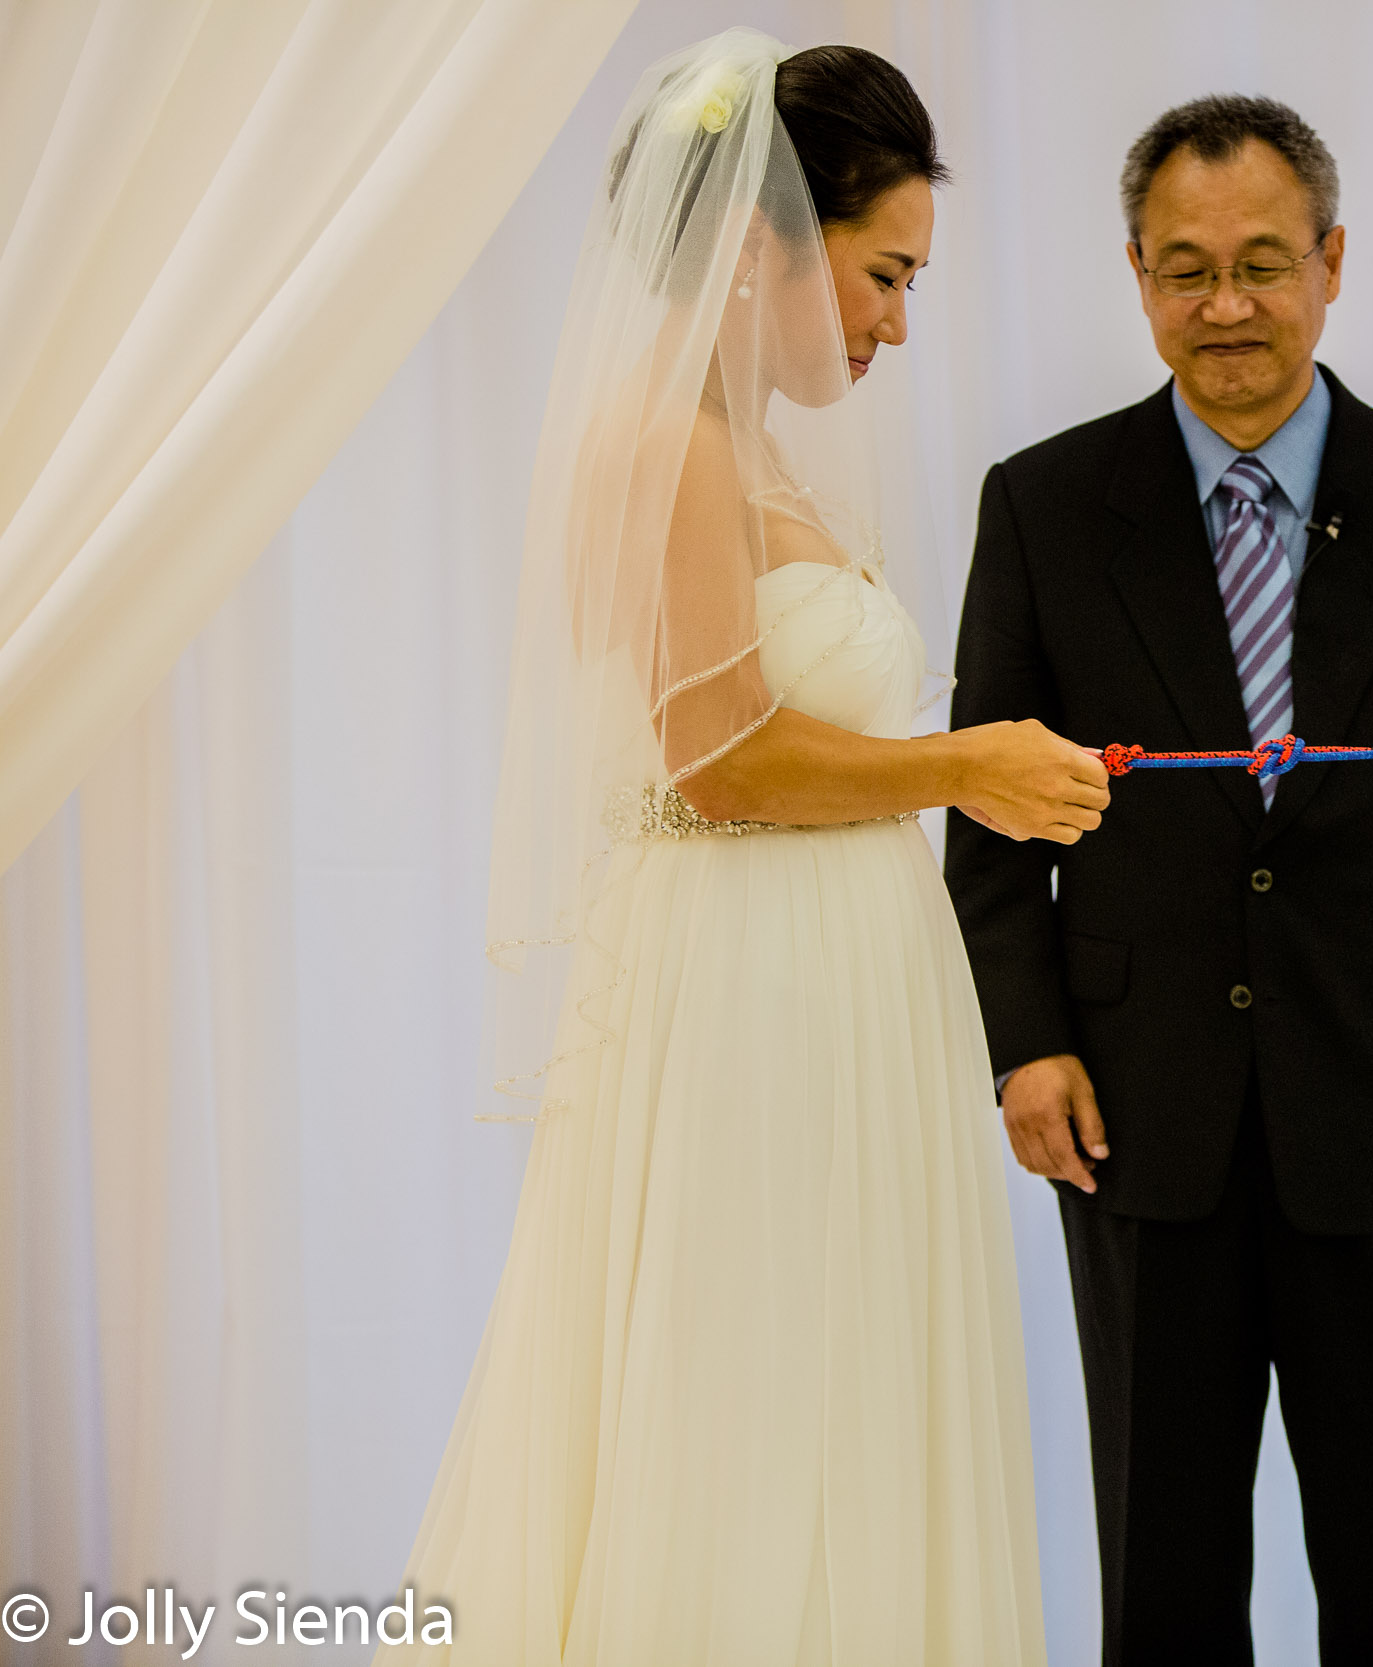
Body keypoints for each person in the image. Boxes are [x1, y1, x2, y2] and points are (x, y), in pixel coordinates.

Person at [379, 32, 1102, 1664]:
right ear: (767, 238)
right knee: (753, 1383)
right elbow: (717, 761)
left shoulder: (751, 445)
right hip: (743, 998)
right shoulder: (669, 446)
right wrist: (962, 762)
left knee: (835, 1376)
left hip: (832, 991)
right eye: (882, 272)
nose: (896, 322)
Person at [944, 95, 1373, 1667]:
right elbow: (986, 815)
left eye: (1259, 263)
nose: (1224, 306)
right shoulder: (1040, 506)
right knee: (1160, 1568)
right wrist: (1026, 1042)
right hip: (1131, 1106)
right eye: (1184, 271)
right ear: (1134, 275)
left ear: (1332, 261)